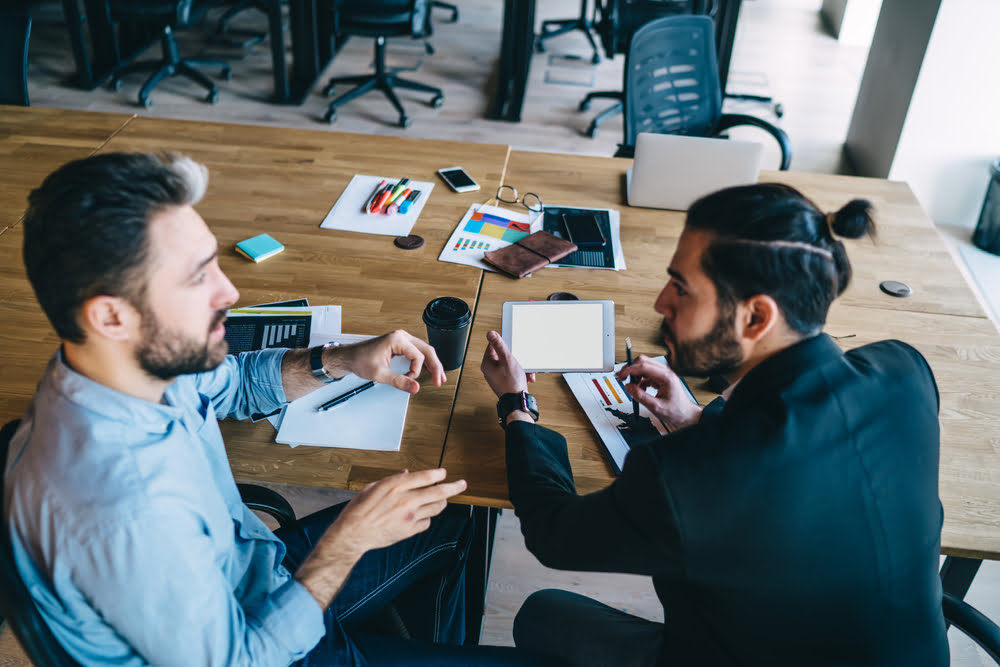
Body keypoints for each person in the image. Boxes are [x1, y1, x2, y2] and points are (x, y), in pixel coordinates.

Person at [3, 152, 545, 667]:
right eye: (196, 278)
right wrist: (347, 542)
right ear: (111, 317)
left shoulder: (122, 363)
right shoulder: (125, 513)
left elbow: (231, 384)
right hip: (263, 648)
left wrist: (341, 359)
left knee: (451, 511)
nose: (230, 291)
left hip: (256, 578)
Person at [480, 183, 949, 666]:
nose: (662, 303)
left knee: (541, 612)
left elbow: (554, 535)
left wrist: (517, 406)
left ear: (756, 316)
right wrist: (696, 419)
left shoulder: (684, 475)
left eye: (681, 288)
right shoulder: (905, 372)